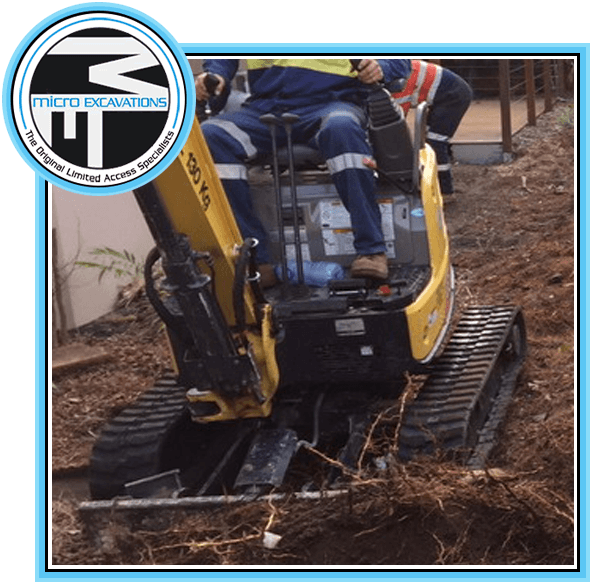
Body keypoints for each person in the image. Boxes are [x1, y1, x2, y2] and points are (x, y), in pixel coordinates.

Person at [195, 58, 412, 285]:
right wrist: (216, 75)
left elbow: (400, 59)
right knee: (212, 135)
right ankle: (257, 261)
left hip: (331, 105)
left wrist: (381, 67)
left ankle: (371, 251)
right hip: (266, 109)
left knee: (341, 128)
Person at [391, 60, 472, 196]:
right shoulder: (396, 68)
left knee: (435, 143)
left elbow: (396, 122)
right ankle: (435, 182)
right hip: (445, 95)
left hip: (453, 96)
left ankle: (445, 191)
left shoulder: (398, 84)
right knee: (432, 141)